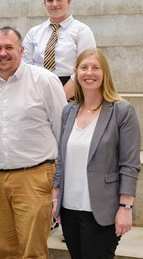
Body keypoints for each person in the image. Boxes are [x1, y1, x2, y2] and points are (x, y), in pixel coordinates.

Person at [0, 26, 66, 258]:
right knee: (5, 250)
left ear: (22, 50)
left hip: (33, 178)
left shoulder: (45, 81)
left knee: (33, 252)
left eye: (9, 47)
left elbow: (61, 130)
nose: (2, 53)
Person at [52, 48, 141, 259]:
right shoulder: (69, 111)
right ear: (76, 73)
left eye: (95, 68)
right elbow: (61, 160)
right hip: (69, 208)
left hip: (103, 210)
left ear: (105, 73)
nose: (89, 73)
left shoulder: (122, 111)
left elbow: (129, 164)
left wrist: (125, 207)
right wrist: (55, 197)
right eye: (84, 68)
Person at [23, 0, 96, 100]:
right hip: (38, 91)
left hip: (72, 91)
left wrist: (59, 98)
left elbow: (85, 67)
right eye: (50, 0)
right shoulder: (33, 33)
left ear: (69, 0)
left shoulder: (82, 31)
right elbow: (26, 66)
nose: (55, 4)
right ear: (44, 3)